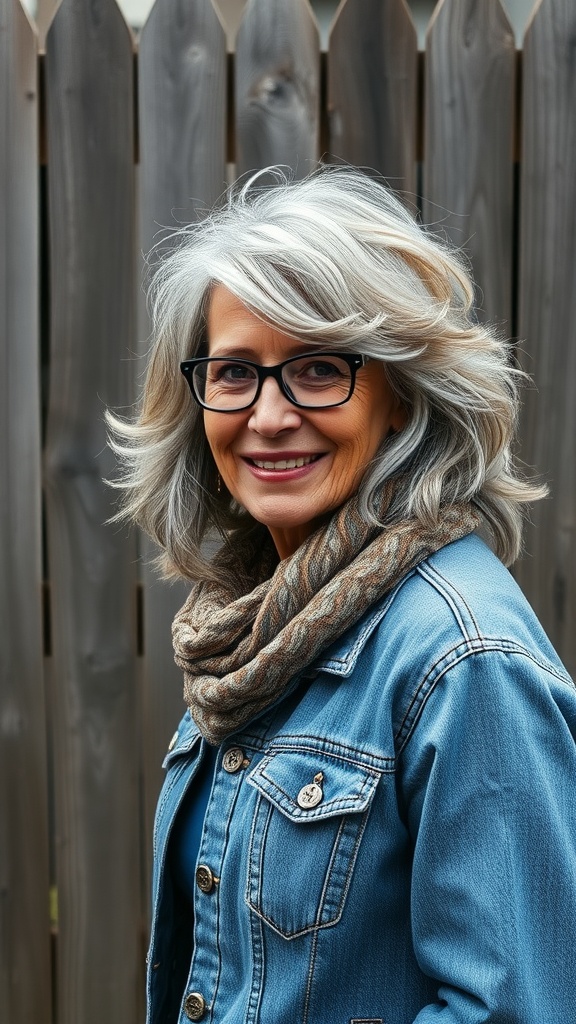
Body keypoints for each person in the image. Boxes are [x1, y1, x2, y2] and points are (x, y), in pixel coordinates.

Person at [108, 166, 576, 1024]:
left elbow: (518, 1007)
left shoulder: (463, 656)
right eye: (235, 372)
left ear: (399, 396)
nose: (271, 414)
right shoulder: (251, 623)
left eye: (318, 369)